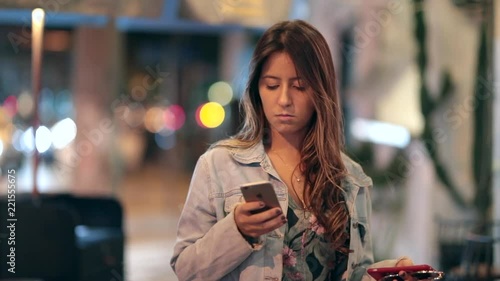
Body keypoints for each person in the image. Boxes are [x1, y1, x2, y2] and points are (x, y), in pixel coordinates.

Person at [171, 19, 416, 281]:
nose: (284, 99)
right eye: (272, 85)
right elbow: (187, 269)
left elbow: (353, 272)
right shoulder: (220, 166)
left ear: (320, 93)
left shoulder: (349, 178)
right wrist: (237, 230)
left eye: (299, 86)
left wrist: (390, 274)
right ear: (257, 90)